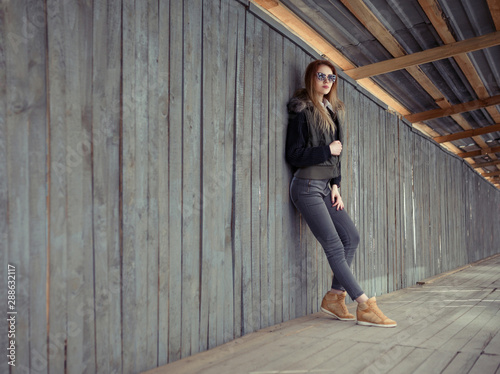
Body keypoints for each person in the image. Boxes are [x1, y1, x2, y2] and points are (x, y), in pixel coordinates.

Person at [285, 59, 396, 328]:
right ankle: (364, 304)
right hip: (307, 187)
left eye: (331, 78)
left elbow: (338, 156)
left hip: (325, 188)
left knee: (352, 237)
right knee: (334, 245)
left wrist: (336, 185)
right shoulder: (302, 111)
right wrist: (328, 151)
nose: (326, 81)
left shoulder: (331, 112)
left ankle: (335, 297)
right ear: (311, 78)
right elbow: (294, 154)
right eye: (321, 76)